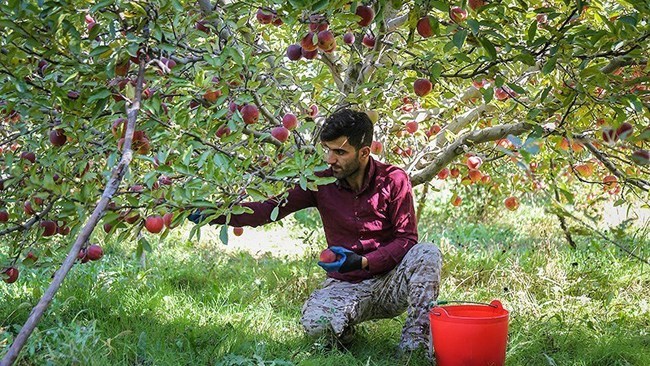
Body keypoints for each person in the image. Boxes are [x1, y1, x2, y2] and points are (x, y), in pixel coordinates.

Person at [189, 108, 442, 357]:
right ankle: (346, 331)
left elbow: (407, 239)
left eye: (340, 152)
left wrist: (366, 261)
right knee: (316, 326)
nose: (331, 159)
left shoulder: (393, 179)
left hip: (390, 282)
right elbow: (268, 209)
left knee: (428, 253)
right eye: (328, 150)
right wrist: (216, 213)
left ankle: (415, 345)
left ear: (364, 152)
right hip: (346, 284)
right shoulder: (319, 182)